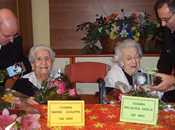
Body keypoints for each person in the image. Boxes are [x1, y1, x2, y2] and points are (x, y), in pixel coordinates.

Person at [148, 0, 175, 102]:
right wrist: (163, 77)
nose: (163, 24)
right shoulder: (169, 29)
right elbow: (166, 56)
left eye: (166, 19)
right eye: (160, 20)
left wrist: (172, 80)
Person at [0, 8, 31, 87]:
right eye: (7, 36)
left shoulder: (16, 41)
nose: (11, 40)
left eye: (14, 35)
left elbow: (23, 64)